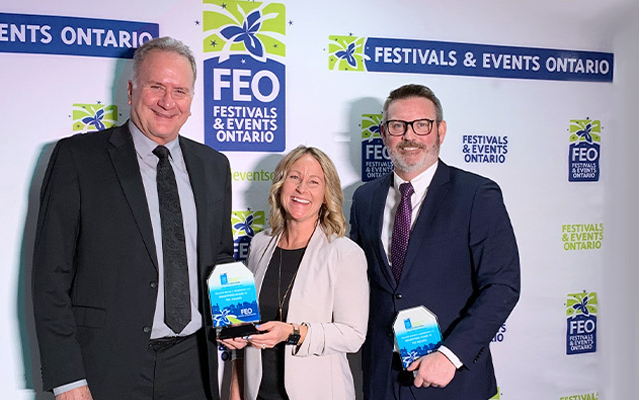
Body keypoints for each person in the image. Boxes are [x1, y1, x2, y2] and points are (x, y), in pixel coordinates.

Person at [32, 36, 234, 400]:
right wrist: (67, 378)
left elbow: (219, 258)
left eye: (180, 91)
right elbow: (50, 276)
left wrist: (236, 322)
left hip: (192, 365)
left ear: (191, 102)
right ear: (131, 90)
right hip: (105, 367)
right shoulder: (78, 158)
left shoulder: (213, 166)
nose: (167, 102)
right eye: (156, 87)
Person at [349, 84, 520, 400]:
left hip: (452, 379)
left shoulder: (476, 195)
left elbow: (503, 285)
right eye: (398, 126)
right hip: (382, 379)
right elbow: (355, 282)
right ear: (385, 134)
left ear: (440, 131)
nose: (409, 136)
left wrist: (451, 355)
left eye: (422, 125)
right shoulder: (364, 199)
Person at [221, 146, 369, 399]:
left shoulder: (344, 253)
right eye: (294, 177)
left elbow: (353, 335)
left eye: (314, 181)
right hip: (258, 393)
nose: (302, 188)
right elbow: (244, 324)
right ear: (280, 184)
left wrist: (292, 332)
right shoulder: (259, 244)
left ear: (325, 195)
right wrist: (236, 386)